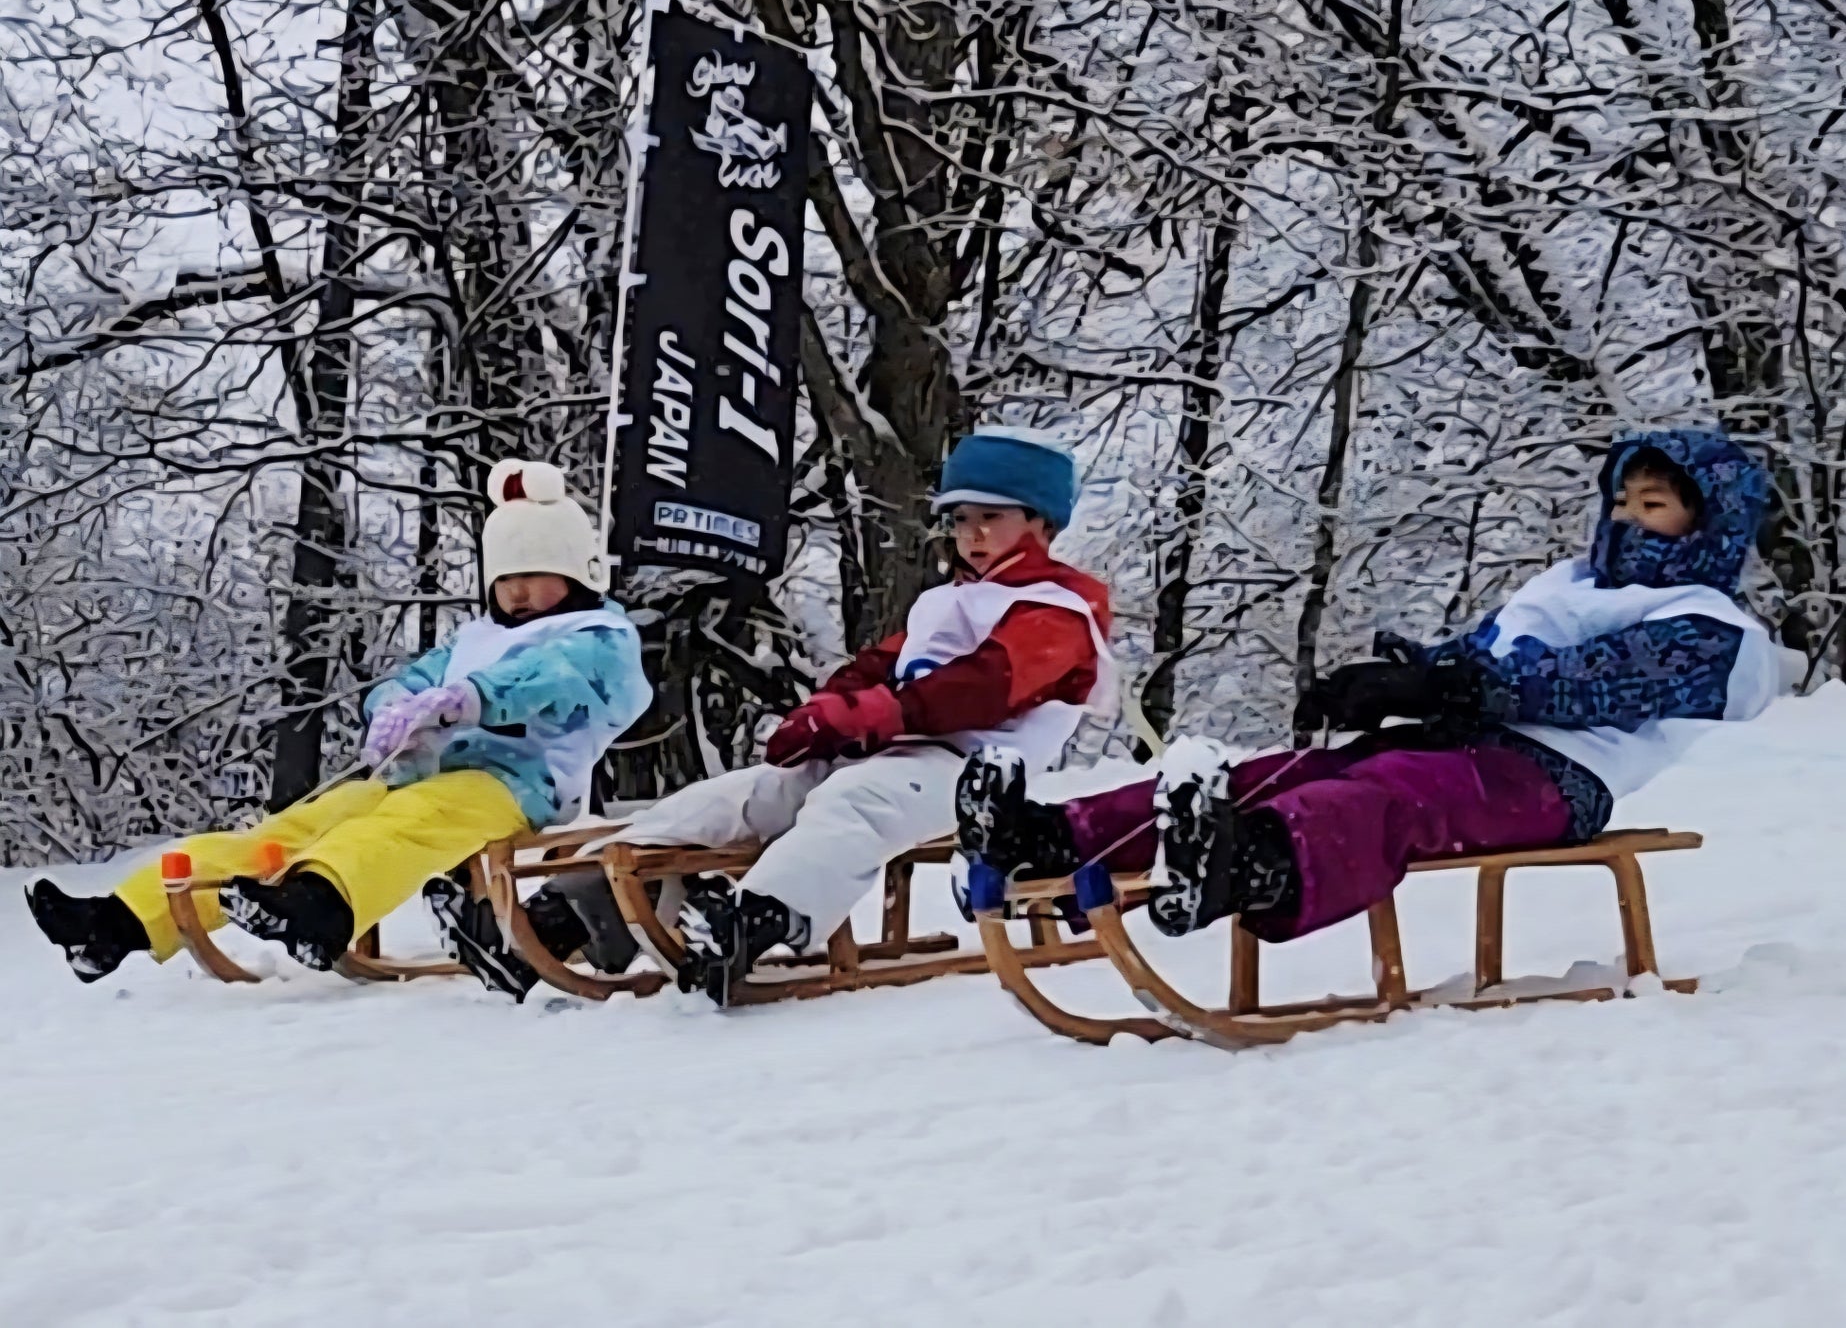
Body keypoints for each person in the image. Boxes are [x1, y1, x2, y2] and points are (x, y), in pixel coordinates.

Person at [957, 428, 1781, 948]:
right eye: (1625, 500)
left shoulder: (1711, 626)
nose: (1632, 519)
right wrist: (1391, 681)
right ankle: (1055, 837)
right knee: (1285, 774)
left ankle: (1257, 866)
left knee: (1391, 795)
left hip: (1553, 776)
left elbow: (1585, 683)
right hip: (1463, 741)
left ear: (1707, 521)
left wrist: (1448, 684)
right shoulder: (1570, 581)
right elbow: (1483, 657)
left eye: (1657, 505)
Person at [454, 431, 1115, 1005]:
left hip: (973, 776)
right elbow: (880, 666)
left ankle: (758, 918)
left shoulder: (1058, 610)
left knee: (857, 804)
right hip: (887, 746)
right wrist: (826, 711)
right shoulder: (954, 600)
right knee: (728, 801)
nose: (970, 535)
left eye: (989, 519)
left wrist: (869, 715)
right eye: (959, 518)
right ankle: (562, 918)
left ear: (1041, 523)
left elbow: (983, 688)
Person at [26, 461, 652, 981]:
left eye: (533, 575)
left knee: (409, 824)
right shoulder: (473, 637)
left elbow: (553, 678)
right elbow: (412, 680)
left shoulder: (599, 635)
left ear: (577, 572)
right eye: (505, 577)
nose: (516, 591)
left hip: (512, 788)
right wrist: (390, 711)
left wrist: (470, 699)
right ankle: (120, 921)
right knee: (304, 824)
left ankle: (320, 905)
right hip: (417, 775)